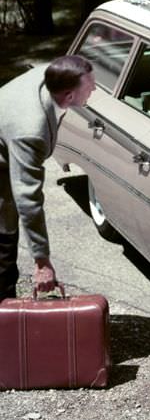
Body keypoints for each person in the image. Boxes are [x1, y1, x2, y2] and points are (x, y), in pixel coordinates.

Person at [0, 55, 96, 300]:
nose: (95, 88)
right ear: (69, 96)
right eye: (89, 86)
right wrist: (42, 262)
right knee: (3, 250)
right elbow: (28, 200)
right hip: (5, 160)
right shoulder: (31, 131)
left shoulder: (52, 74)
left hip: (6, 142)